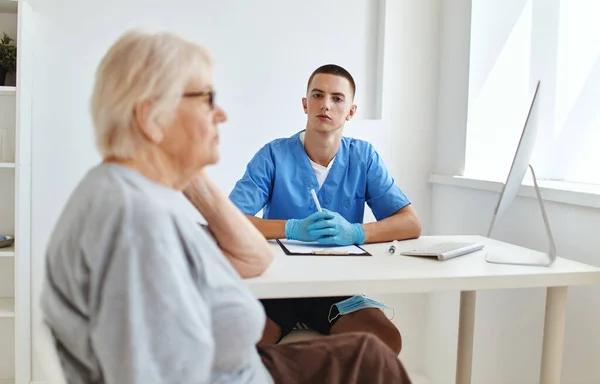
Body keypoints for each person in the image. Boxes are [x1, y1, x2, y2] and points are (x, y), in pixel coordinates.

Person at [40, 30, 412, 384]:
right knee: (370, 360)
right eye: (206, 100)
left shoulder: (138, 193)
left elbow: (254, 260)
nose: (221, 115)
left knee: (371, 350)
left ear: (350, 110)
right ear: (150, 117)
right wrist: (292, 227)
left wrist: (183, 167)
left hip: (242, 365)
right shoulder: (133, 220)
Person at [229, 64, 422, 354]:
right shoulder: (273, 155)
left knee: (385, 341)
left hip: (336, 291)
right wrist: (291, 228)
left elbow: (410, 223)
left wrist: (356, 232)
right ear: (306, 104)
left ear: (351, 111)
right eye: (318, 95)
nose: (326, 105)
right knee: (238, 345)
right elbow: (230, 220)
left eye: (337, 98)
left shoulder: (363, 157)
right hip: (277, 288)